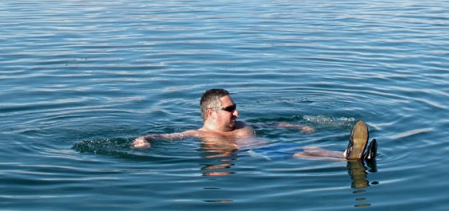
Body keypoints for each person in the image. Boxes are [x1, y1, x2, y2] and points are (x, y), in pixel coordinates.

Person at [131, 88, 376, 162]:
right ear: (210, 112)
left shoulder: (243, 124)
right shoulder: (198, 133)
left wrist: (297, 127)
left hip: (271, 144)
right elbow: (168, 136)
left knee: (300, 146)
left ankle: (348, 156)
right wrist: (144, 139)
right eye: (230, 109)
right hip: (256, 152)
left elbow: (271, 123)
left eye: (235, 106)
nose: (236, 112)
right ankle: (345, 158)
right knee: (298, 152)